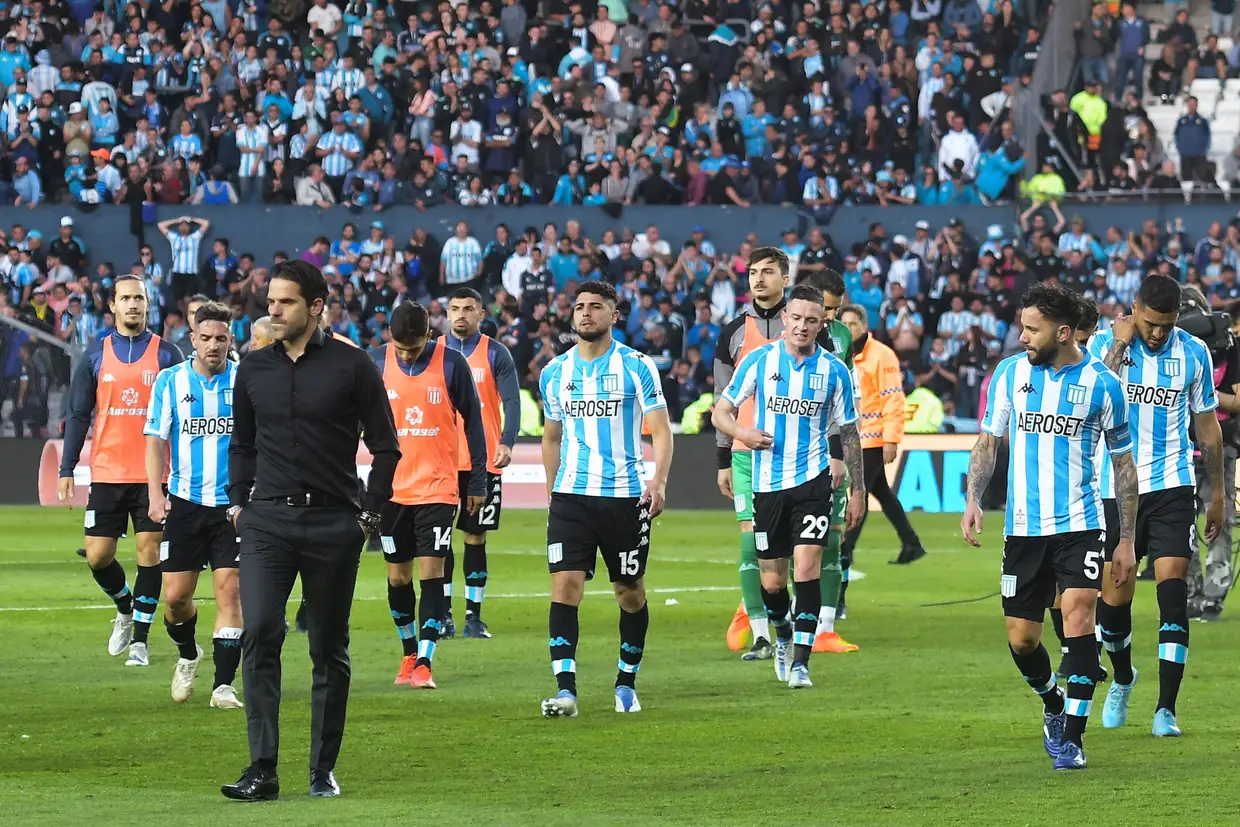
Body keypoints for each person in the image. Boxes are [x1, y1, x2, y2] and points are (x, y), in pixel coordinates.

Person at [221, 260, 400, 801]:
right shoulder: (253, 368)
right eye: (270, 300)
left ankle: (322, 770)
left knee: (327, 647)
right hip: (267, 522)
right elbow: (242, 444)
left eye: (285, 302)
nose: (272, 310)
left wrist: (367, 517)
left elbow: (388, 448)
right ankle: (263, 770)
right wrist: (238, 503)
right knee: (260, 633)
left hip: (333, 523)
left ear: (316, 306)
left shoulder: (354, 366)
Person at [962, 282, 1138, 771]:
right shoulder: (1009, 373)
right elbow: (988, 441)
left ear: (1062, 332)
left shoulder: (1103, 384)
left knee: (1080, 615)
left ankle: (1073, 741)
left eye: (1031, 330)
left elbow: (1124, 466)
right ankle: (1054, 704)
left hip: (1081, 524)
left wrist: (1125, 539)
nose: (1022, 338)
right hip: (1022, 528)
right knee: (1023, 639)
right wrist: (973, 497)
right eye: (1022, 328)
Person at [1085, 275, 1223, 738]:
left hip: (1172, 485)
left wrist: (1218, 494)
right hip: (1113, 488)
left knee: (1172, 591)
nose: (1159, 333)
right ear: (1134, 308)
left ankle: (1166, 708)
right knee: (1115, 597)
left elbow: (1207, 427)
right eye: (1150, 322)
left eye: (1166, 324)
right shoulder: (1106, 343)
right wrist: (1119, 348)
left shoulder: (1194, 353)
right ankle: (1123, 677)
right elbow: (1087, 401)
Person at [711, 282, 866, 688]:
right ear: (785, 319)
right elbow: (720, 412)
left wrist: (859, 489)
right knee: (773, 582)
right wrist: (742, 434)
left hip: (813, 481)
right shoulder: (760, 361)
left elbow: (849, 433)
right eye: (796, 318)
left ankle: (801, 662)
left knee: (807, 568)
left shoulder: (834, 370)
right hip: (767, 483)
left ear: (821, 324)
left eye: (811, 321)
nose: (802, 326)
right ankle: (781, 633)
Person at [538, 279, 674, 718]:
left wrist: (659, 481)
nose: (586, 314)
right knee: (565, 586)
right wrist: (552, 488)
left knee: (629, 593)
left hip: (625, 497)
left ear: (614, 315)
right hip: (572, 497)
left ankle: (626, 682)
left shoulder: (637, 367)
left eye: (596, 307)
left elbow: (661, 428)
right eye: (579, 306)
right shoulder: (555, 373)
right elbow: (552, 434)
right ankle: (565, 691)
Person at [57, 275, 183, 666]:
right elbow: (79, 414)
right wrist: (66, 467)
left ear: (148, 304)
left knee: (149, 555)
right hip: (107, 472)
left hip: (153, 477)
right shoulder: (95, 355)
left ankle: (141, 641)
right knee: (97, 556)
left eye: (139, 298)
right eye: (125, 298)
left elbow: (183, 416)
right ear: (112, 305)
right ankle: (125, 607)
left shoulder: (168, 355)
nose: (132, 304)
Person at [374, 301, 487, 690]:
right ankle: (408, 652)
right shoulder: (376, 364)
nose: (407, 354)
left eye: (415, 346)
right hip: (391, 491)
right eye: (401, 348)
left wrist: (476, 482)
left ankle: (425, 660)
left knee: (431, 572)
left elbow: (474, 422)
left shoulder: (452, 365)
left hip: (438, 487)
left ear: (428, 335)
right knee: (398, 576)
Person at [142, 301, 244, 709]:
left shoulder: (246, 379)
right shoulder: (170, 381)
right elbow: (155, 439)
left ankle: (223, 685)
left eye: (221, 338)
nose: (214, 345)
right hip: (184, 504)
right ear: (193, 339)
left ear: (230, 340)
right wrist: (154, 492)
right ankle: (188, 654)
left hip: (232, 507)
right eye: (206, 338)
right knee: (175, 599)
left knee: (229, 592)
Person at [713, 247, 791, 661]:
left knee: (787, 550)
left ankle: (786, 619)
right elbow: (719, 398)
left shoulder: (800, 325)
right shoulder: (733, 332)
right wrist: (723, 458)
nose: (758, 279)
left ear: (785, 277)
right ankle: (761, 633)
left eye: (768, 272)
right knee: (750, 540)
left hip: (795, 454)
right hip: (745, 453)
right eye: (753, 272)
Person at [442, 287, 521, 639]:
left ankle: (474, 617)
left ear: (480, 313)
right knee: (438, 540)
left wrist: (507, 441)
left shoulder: (496, 352)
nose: (461, 314)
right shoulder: (434, 353)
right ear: (446, 313)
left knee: (476, 537)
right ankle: (442, 615)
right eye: (455, 308)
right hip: (440, 460)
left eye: (468, 309)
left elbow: (512, 402)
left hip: (481, 462)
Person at [838, 304, 926, 603]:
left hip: (872, 440)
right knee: (880, 492)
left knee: (857, 500)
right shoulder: (841, 354)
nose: (848, 329)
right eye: (844, 323)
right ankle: (911, 543)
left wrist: (891, 439)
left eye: (853, 324)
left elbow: (893, 400)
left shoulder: (882, 355)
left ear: (864, 326)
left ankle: (844, 554)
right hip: (853, 440)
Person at [1045, 297, 1108, 684]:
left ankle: (1091, 646)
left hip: (1106, 492)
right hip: (1066, 491)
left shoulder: (1102, 364)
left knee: (1090, 588)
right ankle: (1076, 650)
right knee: (1057, 588)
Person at [804, 269, 863, 654]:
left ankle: (825, 625)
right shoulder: (788, 329)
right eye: (826, 308)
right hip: (788, 453)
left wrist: (858, 482)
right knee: (783, 548)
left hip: (831, 453)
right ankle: (768, 615)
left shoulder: (842, 337)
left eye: (836, 309)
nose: (831, 317)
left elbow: (848, 409)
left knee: (833, 537)